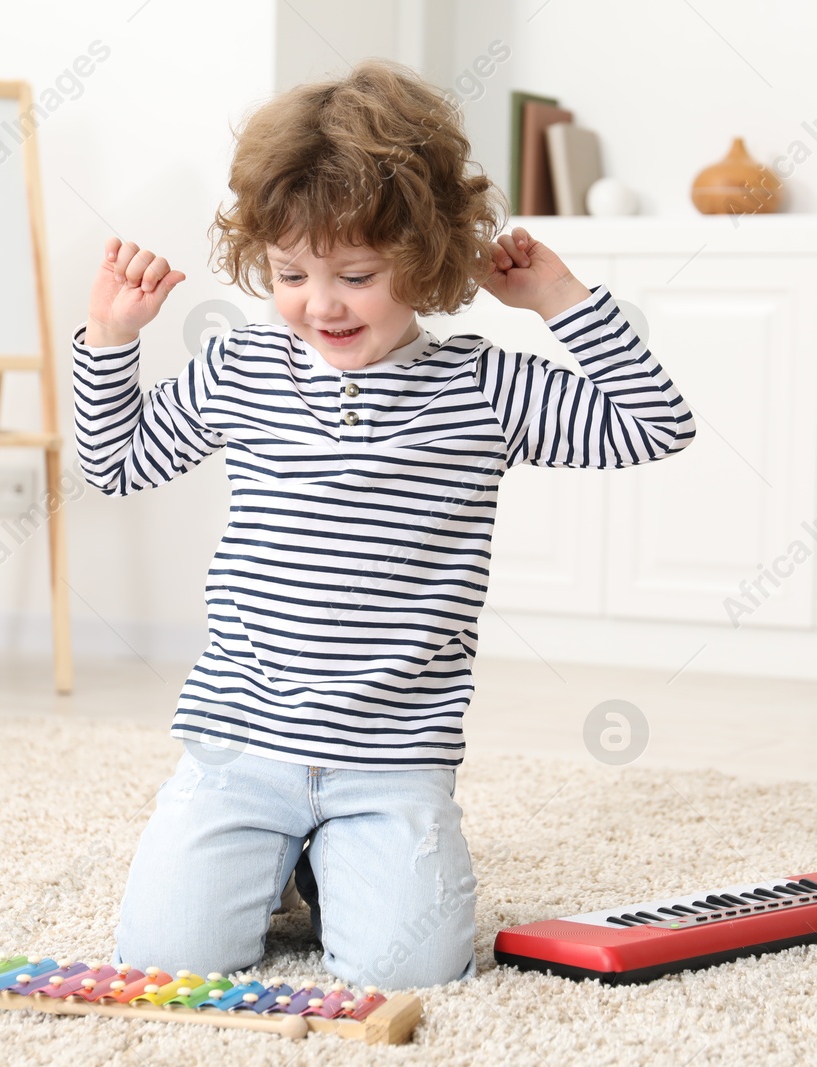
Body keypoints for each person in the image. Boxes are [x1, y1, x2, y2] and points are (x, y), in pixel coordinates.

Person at [72, 57, 695, 989]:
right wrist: (111, 341)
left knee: (414, 972)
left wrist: (559, 300)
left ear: (426, 256)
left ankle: (326, 865)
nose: (321, 304)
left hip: (392, 763)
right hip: (242, 745)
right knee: (167, 960)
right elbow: (113, 460)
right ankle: (280, 864)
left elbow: (655, 424)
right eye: (290, 273)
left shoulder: (484, 387)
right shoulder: (243, 369)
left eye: (356, 274)